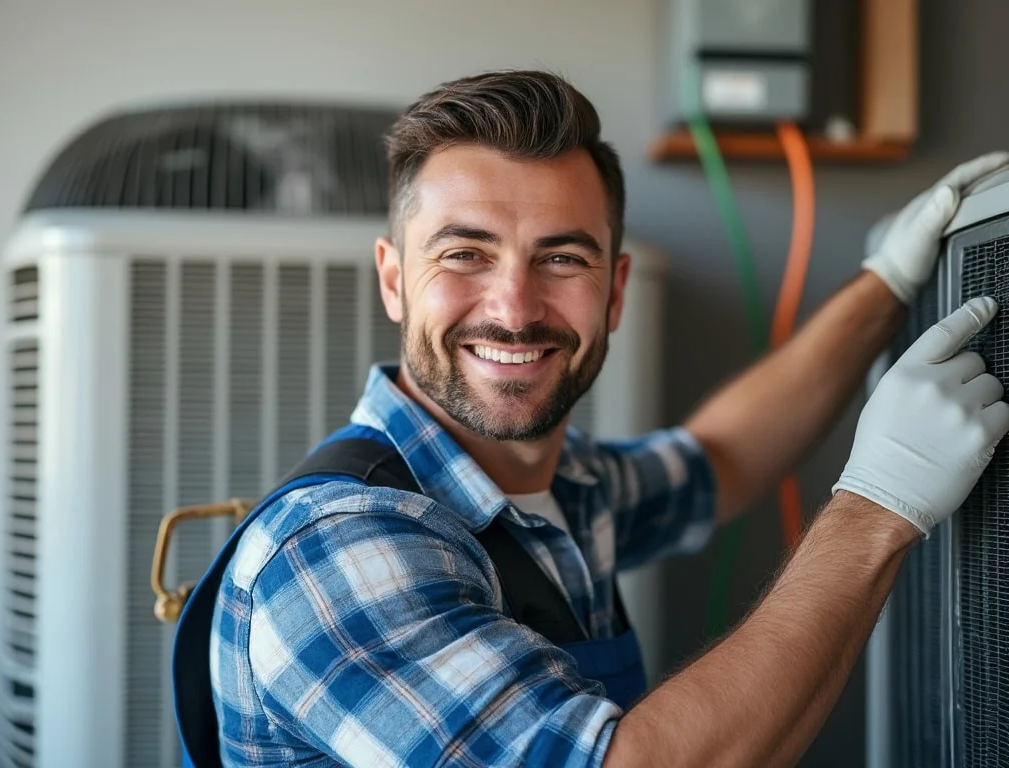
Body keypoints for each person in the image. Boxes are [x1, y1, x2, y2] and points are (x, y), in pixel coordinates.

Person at [201, 71, 1009, 766]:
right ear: (393, 280)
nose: (514, 310)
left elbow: (720, 458)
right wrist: (878, 505)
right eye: (464, 254)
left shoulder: (563, 487)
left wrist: (887, 281)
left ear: (614, 291)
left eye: (562, 257)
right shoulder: (340, 547)